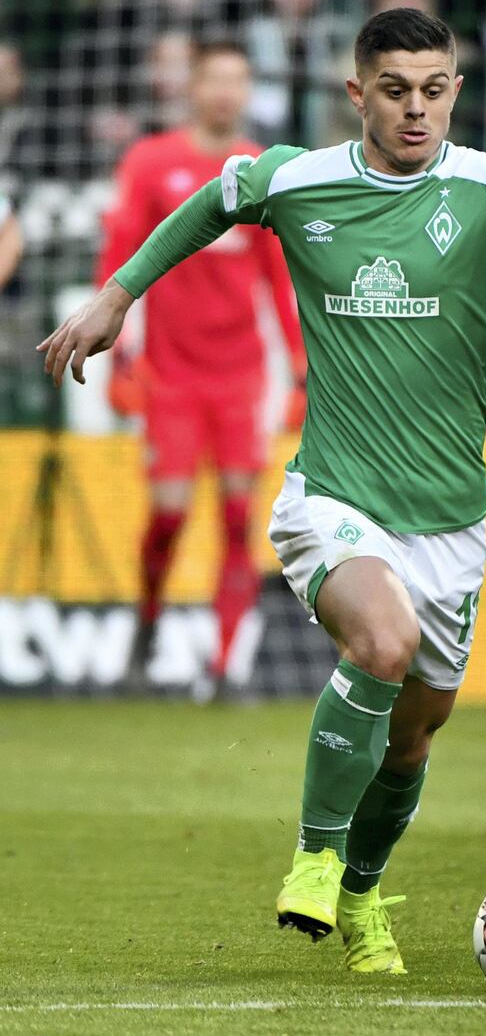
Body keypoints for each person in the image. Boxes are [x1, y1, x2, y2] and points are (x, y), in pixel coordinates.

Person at [39, 9, 486, 972]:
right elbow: (211, 202)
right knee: (383, 641)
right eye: (395, 90)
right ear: (356, 92)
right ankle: (315, 858)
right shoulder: (297, 177)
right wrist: (118, 294)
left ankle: (361, 895)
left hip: (451, 520)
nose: (417, 110)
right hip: (334, 495)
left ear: (455, 89)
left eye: (434, 90)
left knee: (413, 742)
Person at [95, 39, 305, 697]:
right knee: (169, 515)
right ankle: (149, 617)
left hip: (241, 375)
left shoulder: (260, 171)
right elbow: (120, 254)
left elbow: (280, 276)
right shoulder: (152, 161)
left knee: (240, 518)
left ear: (247, 91)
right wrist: (118, 347)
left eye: (237, 81)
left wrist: (301, 366)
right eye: (214, 78)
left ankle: (223, 666)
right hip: (171, 374)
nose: (225, 92)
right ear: (192, 86)